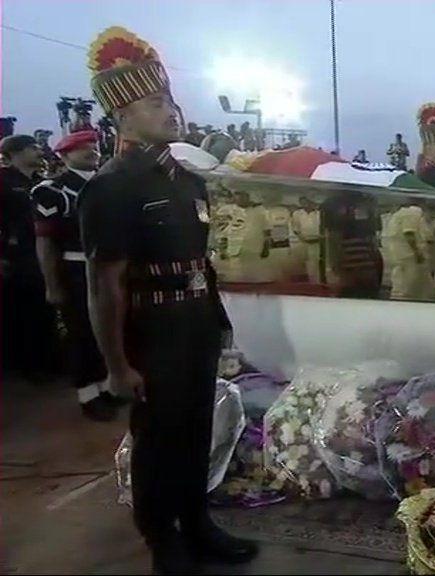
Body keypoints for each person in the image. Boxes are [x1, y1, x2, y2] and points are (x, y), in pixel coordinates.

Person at [79, 27, 258, 573]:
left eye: (171, 101)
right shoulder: (112, 185)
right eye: (155, 102)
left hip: (194, 325)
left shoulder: (186, 179)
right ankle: (163, 541)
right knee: (157, 442)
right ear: (123, 115)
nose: (171, 111)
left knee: (195, 429)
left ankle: (198, 523)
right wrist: (116, 365)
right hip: (150, 331)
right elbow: (103, 285)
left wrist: (218, 323)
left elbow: (202, 262)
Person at [32, 130, 125, 420]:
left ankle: (108, 387)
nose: (91, 150)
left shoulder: (111, 184)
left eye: (94, 145)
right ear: (64, 155)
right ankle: (87, 394)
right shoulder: (53, 190)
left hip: (114, 267)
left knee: (111, 330)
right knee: (82, 334)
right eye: (81, 147)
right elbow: (45, 242)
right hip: (76, 268)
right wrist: (52, 284)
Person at [0, 135, 60, 379]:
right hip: (15, 255)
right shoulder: (3, 181)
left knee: (45, 308)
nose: (39, 150)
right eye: (32, 147)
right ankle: (29, 366)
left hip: (42, 252)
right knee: (22, 311)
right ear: (15, 153)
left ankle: (49, 360)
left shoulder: (42, 182)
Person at [387, 203, 435, 301]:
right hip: (411, 257)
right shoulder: (413, 212)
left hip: (402, 256)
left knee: (413, 286)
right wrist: (417, 253)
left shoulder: (398, 214)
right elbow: (409, 233)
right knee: (409, 288)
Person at [291, 196, 321, 284]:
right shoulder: (297, 214)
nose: (305, 204)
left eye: (307, 202)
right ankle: (306, 282)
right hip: (303, 242)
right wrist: (302, 238)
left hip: (318, 242)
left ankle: (317, 282)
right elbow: (295, 228)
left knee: (316, 263)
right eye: (303, 203)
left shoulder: (319, 213)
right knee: (303, 263)